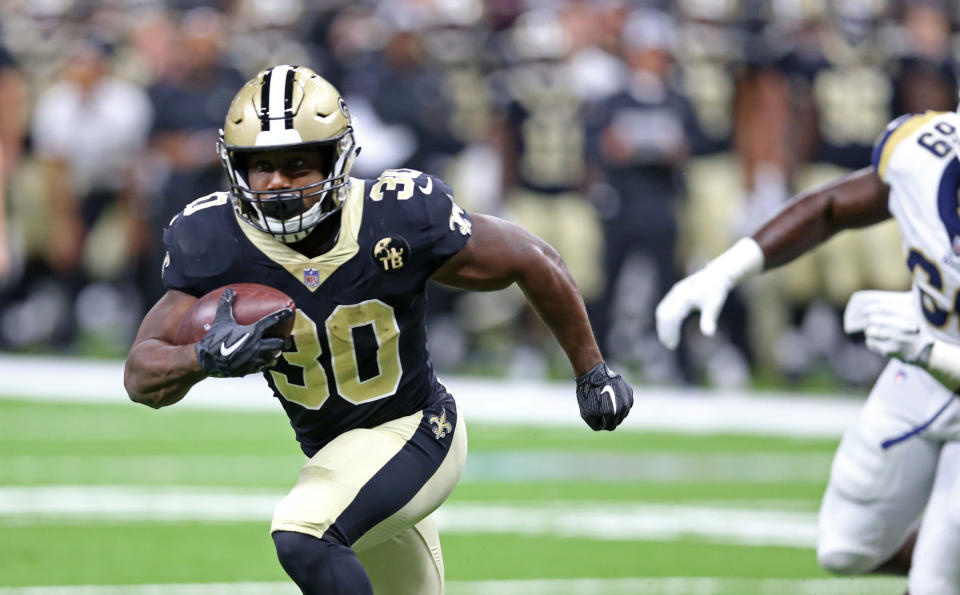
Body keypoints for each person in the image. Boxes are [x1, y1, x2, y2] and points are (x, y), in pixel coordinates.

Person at [123, 65, 633, 595]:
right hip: (340, 457)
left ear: (336, 159)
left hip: (418, 429)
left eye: (297, 165)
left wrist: (591, 370)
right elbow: (140, 374)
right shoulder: (214, 240)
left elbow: (532, 257)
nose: (276, 183)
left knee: (304, 532)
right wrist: (202, 358)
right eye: (262, 166)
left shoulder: (394, 216)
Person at [655, 106, 960, 594]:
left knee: (938, 576)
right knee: (844, 548)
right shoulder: (921, 152)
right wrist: (726, 270)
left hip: (930, 358)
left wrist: (927, 350)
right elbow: (831, 207)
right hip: (921, 379)